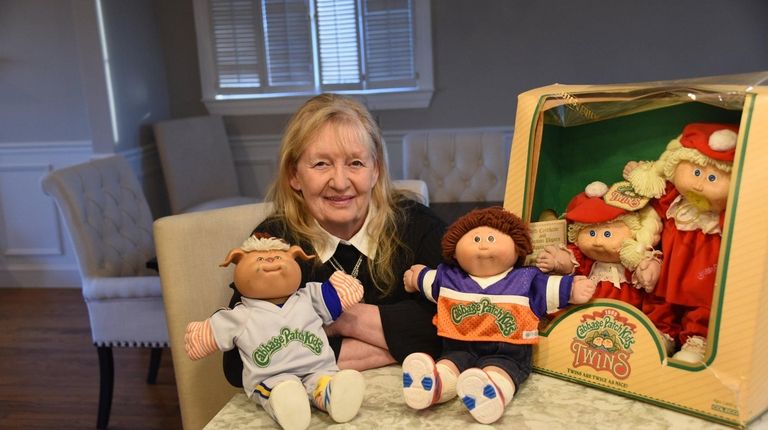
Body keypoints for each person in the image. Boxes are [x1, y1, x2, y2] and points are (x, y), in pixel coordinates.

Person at [224, 93, 446, 387]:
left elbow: (463, 322)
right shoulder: (272, 243)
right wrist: (403, 343)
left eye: (355, 163)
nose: (340, 183)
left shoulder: (420, 225)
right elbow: (239, 363)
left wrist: (336, 319)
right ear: (294, 175)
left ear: (375, 170)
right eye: (321, 165)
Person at [400, 207, 595, 424]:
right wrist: (415, 277)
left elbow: (554, 289)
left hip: (507, 352)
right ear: (454, 250)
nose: (483, 244)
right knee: (449, 365)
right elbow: (427, 280)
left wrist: (572, 289)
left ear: (517, 248)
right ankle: (434, 384)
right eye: (475, 238)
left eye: (491, 237)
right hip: (457, 348)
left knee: (501, 371)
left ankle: (491, 392)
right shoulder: (448, 276)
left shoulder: (527, 280)